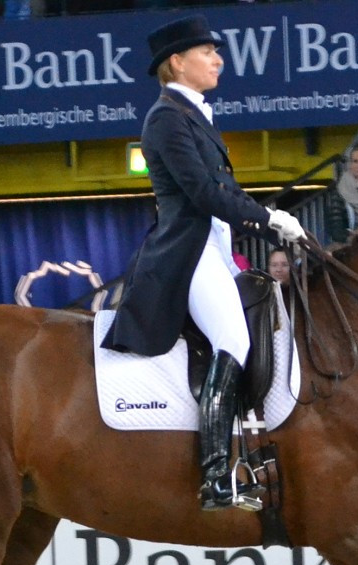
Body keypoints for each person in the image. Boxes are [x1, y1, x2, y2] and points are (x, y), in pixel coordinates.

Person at [99, 14, 306, 511]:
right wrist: (269, 220)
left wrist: (262, 217)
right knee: (232, 339)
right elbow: (204, 193)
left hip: (215, 249)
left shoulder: (194, 113)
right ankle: (215, 473)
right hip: (186, 254)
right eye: (207, 52)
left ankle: (249, 447)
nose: (218, 59)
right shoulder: (166, 117)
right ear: (177, 61)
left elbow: (223, 193)